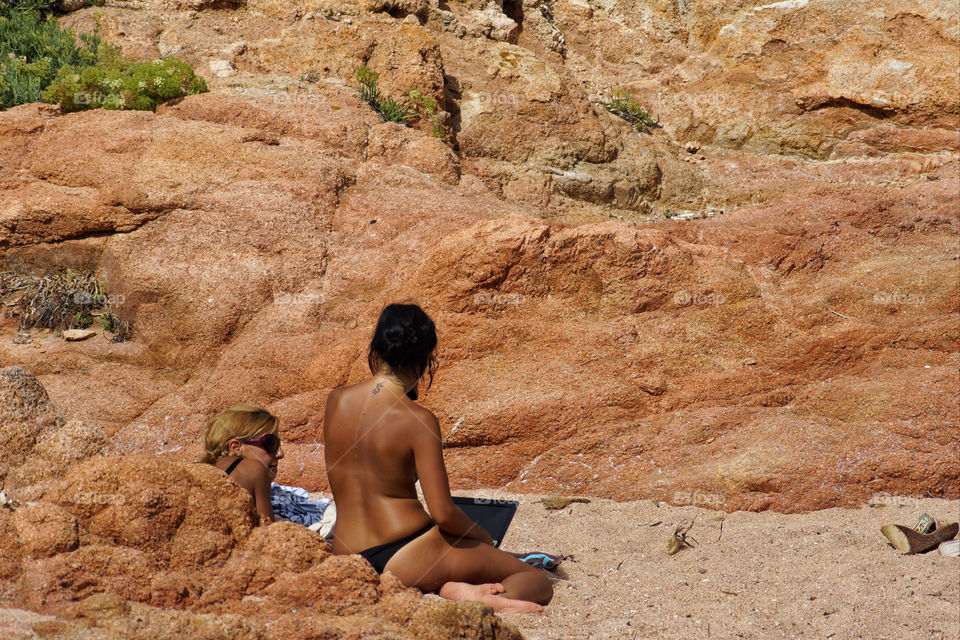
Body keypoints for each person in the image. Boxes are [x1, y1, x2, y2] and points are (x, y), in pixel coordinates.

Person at [324, 303, 553, 614]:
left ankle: (451, 585)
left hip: (347, 553)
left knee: (457, 558)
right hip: (406, 552)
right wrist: (483, 537)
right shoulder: (418, 419)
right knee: (535, 580)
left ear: (375, 350)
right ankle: (475, 597)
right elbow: (443, 512)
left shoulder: (335, 400)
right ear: (424, 360)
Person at [201, 403, 285, 523]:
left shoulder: (196, 469)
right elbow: (268, 530)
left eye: (278, 443)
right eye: (271, 443)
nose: (280, 453)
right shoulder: (255, 470)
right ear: (236, 447)